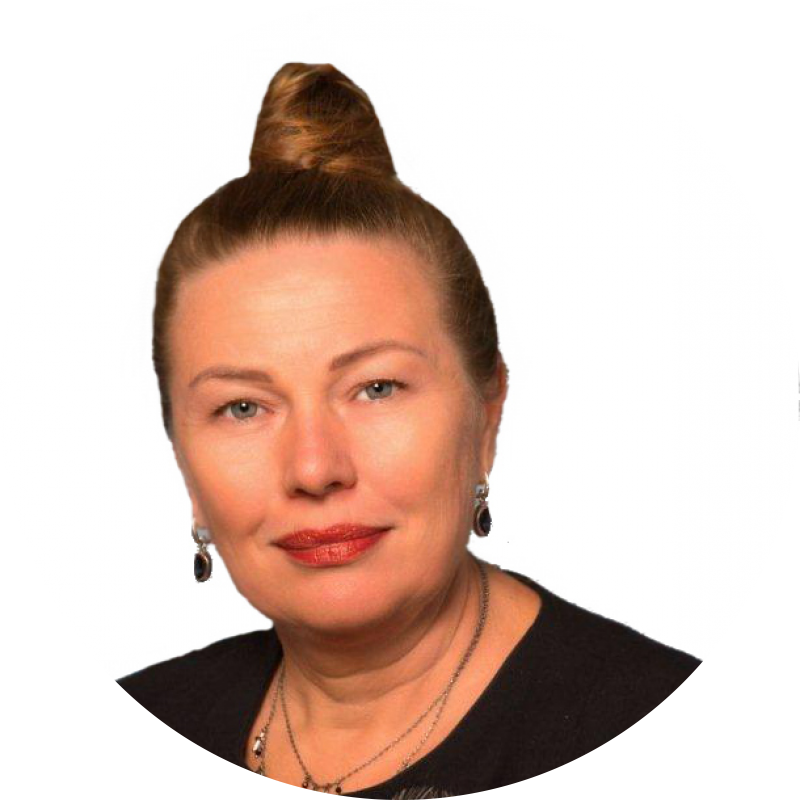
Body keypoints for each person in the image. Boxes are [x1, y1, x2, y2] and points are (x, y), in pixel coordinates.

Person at [35, 62, 799, 800]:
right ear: (182, 459)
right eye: (242, 407)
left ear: (487, 412)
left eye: (376, 388)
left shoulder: (691, 758)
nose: (314, 467)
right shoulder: (112, 751)